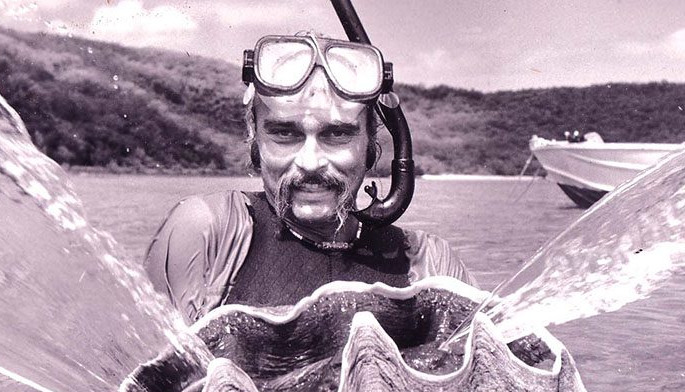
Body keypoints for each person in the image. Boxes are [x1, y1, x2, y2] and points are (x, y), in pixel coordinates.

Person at [144, 31, 475, 324]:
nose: (311, 162)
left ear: (370, 144)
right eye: (285, 134)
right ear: (254, 139)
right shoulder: (209, 234)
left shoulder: (431, 265)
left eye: (337, 134)